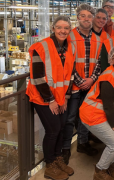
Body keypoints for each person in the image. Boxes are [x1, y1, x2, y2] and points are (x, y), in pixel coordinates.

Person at [26, 16, 75, 180]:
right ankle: (49, 165)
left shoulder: (69, 48)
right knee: (53, 130)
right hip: (43, 97)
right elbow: (37, 78)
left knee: (60, 128)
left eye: (66, 28)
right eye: (59, 27)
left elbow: (70, 76)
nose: (63, 31)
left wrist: (66, 97)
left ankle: (57, 159)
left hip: (60, 97)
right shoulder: (42, 47)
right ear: (53, 28)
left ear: (69, 30)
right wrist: (51, 100)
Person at [80, 46, 114, 180]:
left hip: (108, 114)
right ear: (111, 60)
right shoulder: (108, 76)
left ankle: (108, 163)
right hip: (92, 114)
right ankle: (100, 170)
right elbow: (108, 106)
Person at [62, 4, 101, 164]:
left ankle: (82, 143)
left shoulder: (97, 39)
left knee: (86, 118)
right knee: (70, 118)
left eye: (89, 16)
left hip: (90, 85)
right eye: (83, 16)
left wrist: (91, 79)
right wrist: (79, 81)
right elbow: (66, 62)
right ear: (77, 17)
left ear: (93, 19)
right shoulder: (69, 37)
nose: (86, 19)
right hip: (73, 86)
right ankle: (65, 148)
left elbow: (99, 62)